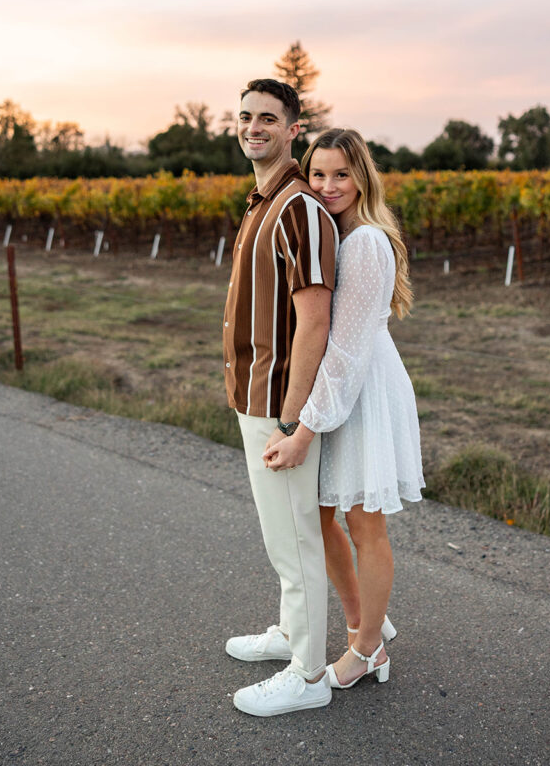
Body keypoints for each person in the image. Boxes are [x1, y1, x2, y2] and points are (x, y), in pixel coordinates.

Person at [264, 127, 425, 690]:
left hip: (362, 390)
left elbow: (348, 351)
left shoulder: (364, 241)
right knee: (324, 514)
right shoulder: (336, 231)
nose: (328, 186)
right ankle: (365, 623)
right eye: (317, 174)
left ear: (362, 177)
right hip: (344, 385)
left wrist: (305, 429)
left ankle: (366, 651)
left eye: (341, 174)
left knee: (364, 523)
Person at [222, 79, 338, 717]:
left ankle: (310, 675)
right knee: (280, 537)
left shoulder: (299, 208)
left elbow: (314, 322)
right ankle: (294, 633)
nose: (253, 127)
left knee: (295, 540)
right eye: (245, 117)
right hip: (253, 395)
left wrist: (294, 421)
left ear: (295, 128)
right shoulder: (260, 202)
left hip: (279, 404)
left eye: (268, 118)